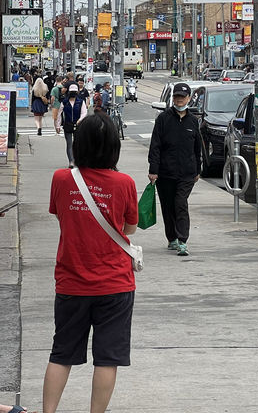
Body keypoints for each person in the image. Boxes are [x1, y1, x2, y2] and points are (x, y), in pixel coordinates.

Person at [43, 112, 138, 413]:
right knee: (108, 358)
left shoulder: (61, 179)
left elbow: (61, 215)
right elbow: (130, 229)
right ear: (113, 146)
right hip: (115, 284)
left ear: (79, 144)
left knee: (62, 353)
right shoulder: (124, 183)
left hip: (71, 282)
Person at [148, 82, 201, 256]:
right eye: (177, 97)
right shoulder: (163, 119)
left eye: (183, 97)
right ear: (173, 98)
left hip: (187, 173)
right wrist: (153, 170)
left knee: (180, 203)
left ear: (189, 98)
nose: (179, 100)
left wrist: (198, 170)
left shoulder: (193, 121)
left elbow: (197, 148)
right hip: (165, 172)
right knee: (168, 205)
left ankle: (183, 240)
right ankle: (171, 237)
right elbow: (155, 146)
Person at [55, 84, 87, 168]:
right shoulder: (64, 102)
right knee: (69, 144)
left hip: (78, 125)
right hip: (68, 125)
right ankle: (71, 161)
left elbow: (84, 112)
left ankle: (78, 160)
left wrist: (80, 120)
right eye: (71, 92)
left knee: (78, 143)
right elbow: (59, 114)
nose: (73, 93)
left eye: (74, 92)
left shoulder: (80, 102)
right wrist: (58, 125)